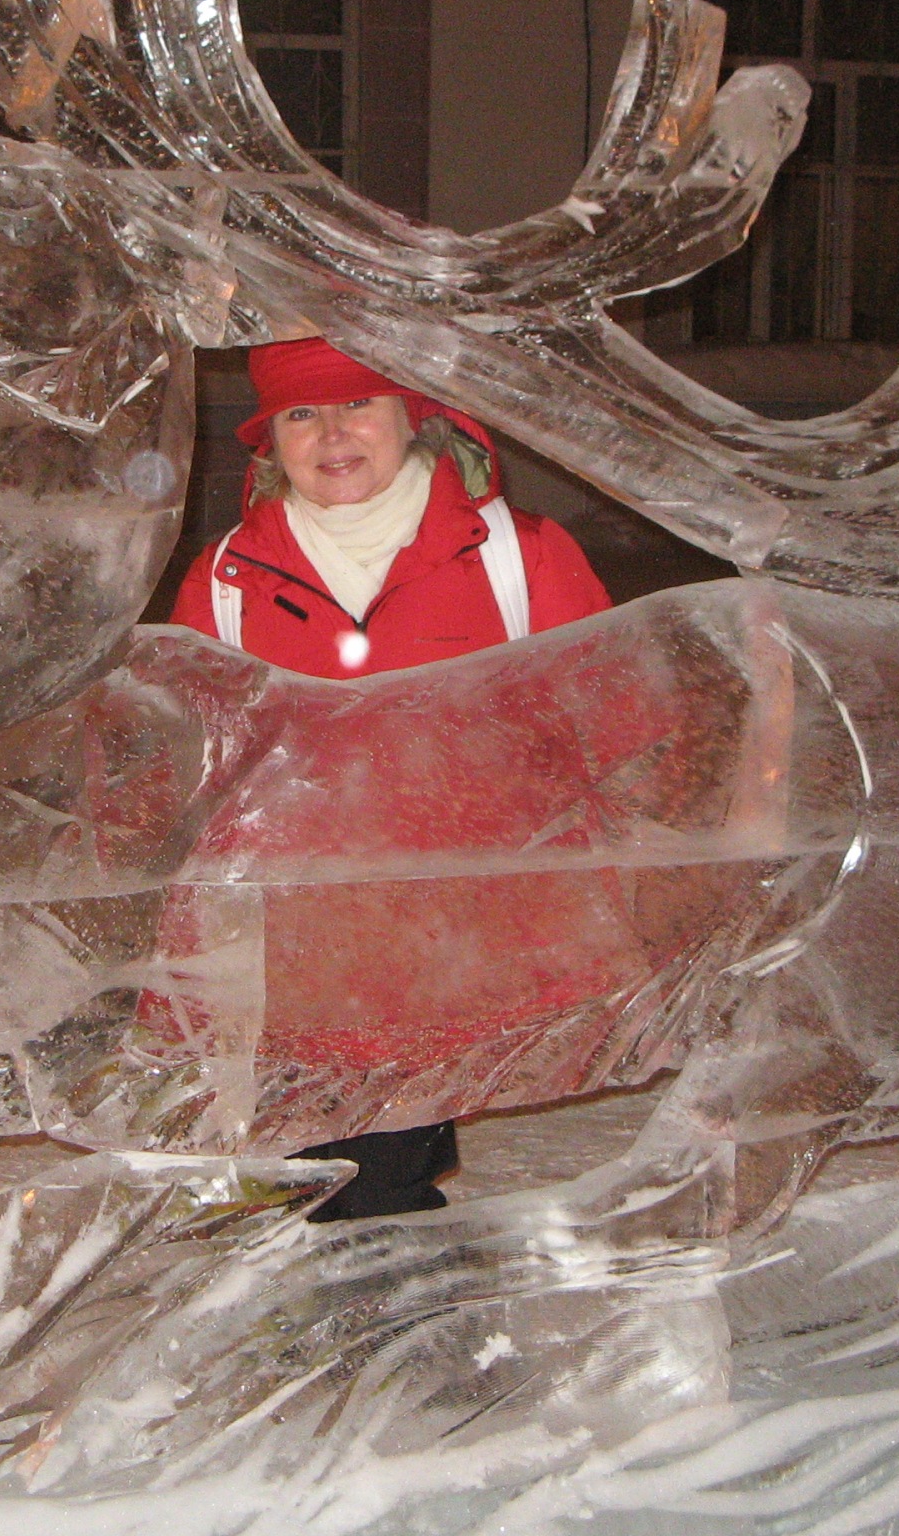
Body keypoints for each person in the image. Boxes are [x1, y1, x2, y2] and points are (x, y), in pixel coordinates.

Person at [169, 337, 611, 1218]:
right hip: (293, 949)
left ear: (415, 418)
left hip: (458, 933)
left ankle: (386, 1280)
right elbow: (188, 758)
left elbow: (610, 720)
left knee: (363, 1180)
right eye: (302, 413)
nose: (332, 434)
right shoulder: (226, 578)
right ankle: (382, 1271)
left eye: (358, 404)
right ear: (272, 441)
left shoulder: (517, 556)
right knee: (314, 1174)